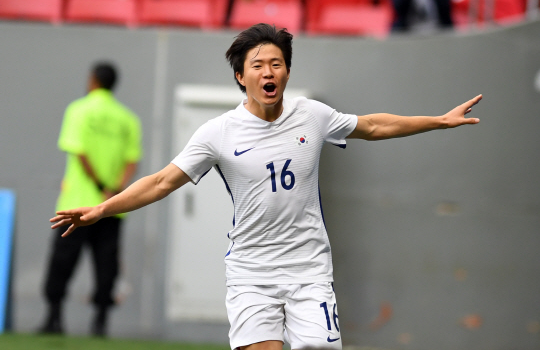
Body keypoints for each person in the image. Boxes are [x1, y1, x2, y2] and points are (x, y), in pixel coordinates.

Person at [50, 24, 481, 349]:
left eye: (276, 63)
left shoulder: (312, 115)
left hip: (310, 270)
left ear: (288, 72)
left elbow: (373, 125)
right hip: (251, 273)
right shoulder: (218, 133)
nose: (268, 71)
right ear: (241, 76)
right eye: (257, 65)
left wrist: (439, 121)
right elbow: (162, 181)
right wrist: (102, 209)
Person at [40, 62, 142, 337]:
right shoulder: (127, 119)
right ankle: (100, 323)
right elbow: (132, 161)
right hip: (111, 207)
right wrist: (114, 191)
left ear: (93, 80)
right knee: (106, 264)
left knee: (62, 261)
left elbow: (79, 151)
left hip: (76, 204)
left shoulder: (78, 110)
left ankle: (54, 318)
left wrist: (98, 185)